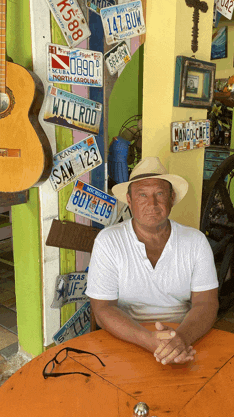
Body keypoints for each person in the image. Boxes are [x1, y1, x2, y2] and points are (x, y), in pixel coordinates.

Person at [86, 156, 219, 365]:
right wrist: (149, 341)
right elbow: (102, 309)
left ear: (172, 198)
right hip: (128, 337)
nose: (152, 204)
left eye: (159, 193)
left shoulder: (195, 241)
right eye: (142, 195)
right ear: (129, 201)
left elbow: (206, 303)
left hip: (185, 335)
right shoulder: (108, 241)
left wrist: (180, 340)